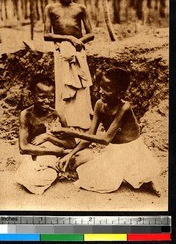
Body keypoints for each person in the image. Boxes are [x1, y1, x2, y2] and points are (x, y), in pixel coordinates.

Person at [53, 67, 161, 196]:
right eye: (101, 87)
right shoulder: (99, 105)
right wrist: (70, 154)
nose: (101, 92)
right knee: (90, 179)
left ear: (120, 94)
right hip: (115, 150)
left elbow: (105, 139)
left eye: (107, 89)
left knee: (140, 175)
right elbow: (90, 136)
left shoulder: (124, 107)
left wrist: (72, 132)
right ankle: (128, 174)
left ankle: (147, 181)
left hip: (133, 150)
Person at [44, 0, 94, 131]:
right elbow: (46, 35)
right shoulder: (50, 8)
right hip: (61, 54)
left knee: (80, 88)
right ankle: (65, 124)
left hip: (78, 53)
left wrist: (78, 41)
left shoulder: (80, 8)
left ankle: (82, 125)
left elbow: (91, 34)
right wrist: (68, 39)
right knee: (63, 87)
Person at [16, 74, 76, 195]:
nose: (47, 101)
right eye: (42, 97)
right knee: (28, 176)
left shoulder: (57, 115)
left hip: (53, 155)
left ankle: (55, 170)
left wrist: (48, 137)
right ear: (31, 95)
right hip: (35, 155)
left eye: (51, 97)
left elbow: (72, 143)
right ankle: (57, 172)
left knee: (85, 156)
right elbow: (23, 148)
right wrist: (57, 152)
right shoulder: (26, 115)